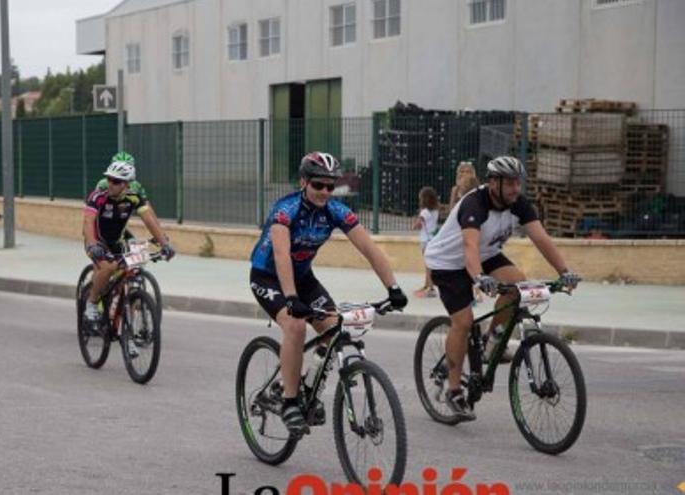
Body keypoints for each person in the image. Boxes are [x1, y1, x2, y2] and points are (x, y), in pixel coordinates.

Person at [249, 151, 409, 436]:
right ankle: (288, 401)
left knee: (335, 327)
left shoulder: (335, 211)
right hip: (269, 277)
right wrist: (290, 298)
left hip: (304, 278)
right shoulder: (285, 211)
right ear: (304, 182)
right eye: (318, 185)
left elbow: (369, 249)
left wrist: (393, 288)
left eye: (330, 186)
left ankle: (307, 387)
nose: (324, 191)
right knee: (296, 326)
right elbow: (282, 255)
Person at [423, 156, 580, 421]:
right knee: (463, 321)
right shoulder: (475, 203)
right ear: (493, 183)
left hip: (486, 254)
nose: (515, 189)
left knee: (519, 285)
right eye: (509, 183)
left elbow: (541, 239)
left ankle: (493, 338)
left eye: (518, 183)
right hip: (448, 262)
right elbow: (469, 246)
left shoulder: (518, 204)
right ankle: (453, 390)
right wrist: (479, 278)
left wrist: (564, 272)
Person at [82, 159, 174, 338]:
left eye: (116, 181)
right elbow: (87, 222)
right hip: (96, 240)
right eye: (109, 179)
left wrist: (164, 244)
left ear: (127, 184)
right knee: (108, 267)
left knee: (133, 268)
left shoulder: (134, 197)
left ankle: (126, 326)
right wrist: (92, 244)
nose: (110, 184)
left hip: (117, 241)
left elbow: (149, 219)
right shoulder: (98, 196)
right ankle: (92, 303)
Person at [412, 186, 440, 298]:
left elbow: (417, 225)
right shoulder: (435, 211)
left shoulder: (424, 212)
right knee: (430, 264)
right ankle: (427, 285)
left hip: (425, 240)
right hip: (433, 239)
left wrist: (414, 224)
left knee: (428, 265)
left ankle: (430, 287)